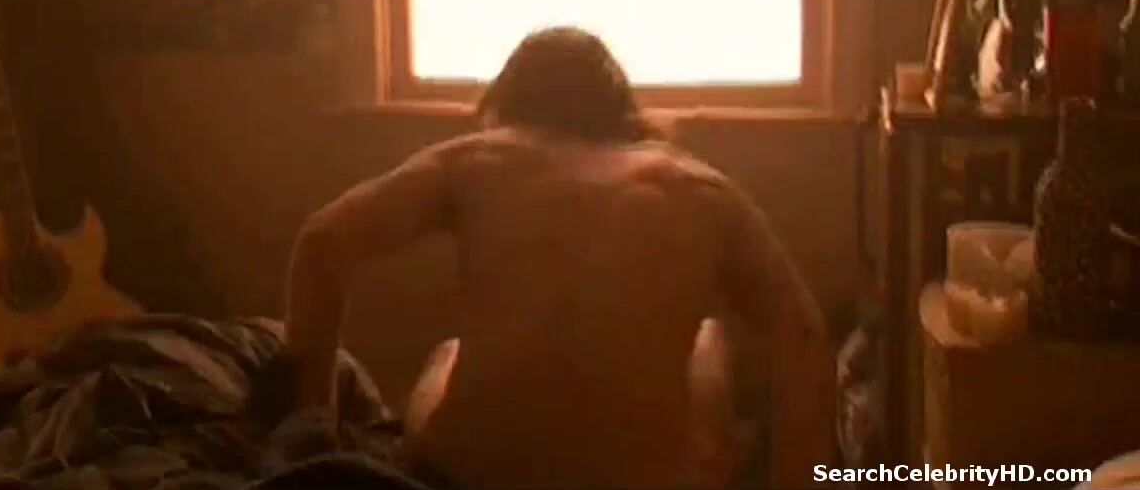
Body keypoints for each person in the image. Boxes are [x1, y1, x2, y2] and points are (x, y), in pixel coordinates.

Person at [284, 27, 835, 489]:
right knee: (708, 342)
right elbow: (804, 337)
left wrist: (313, 420)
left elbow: (322, 241)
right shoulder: (697, 186)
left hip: (471, 481)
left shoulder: (479, 157)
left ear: (505, 102)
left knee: (449, 353)